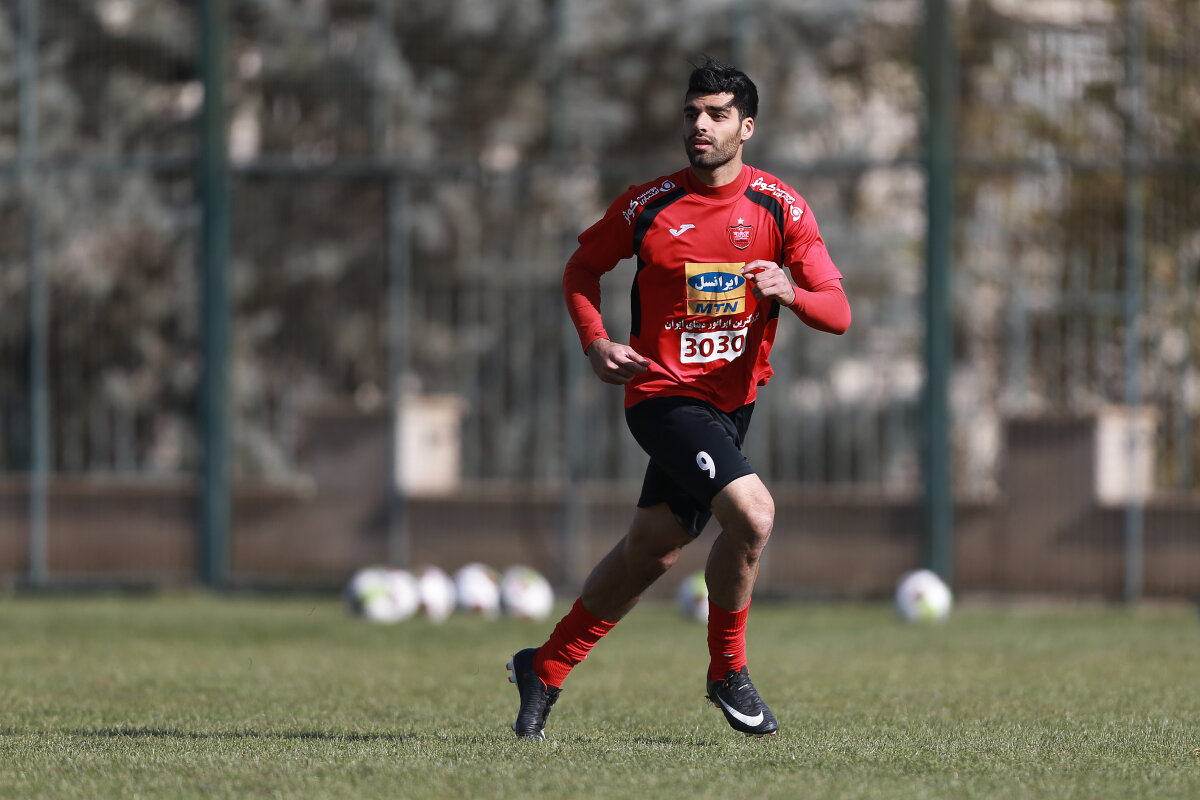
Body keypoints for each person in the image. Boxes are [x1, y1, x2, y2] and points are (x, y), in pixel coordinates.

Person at [507, 56, 851, 739]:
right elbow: (581, 269)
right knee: (753, 515)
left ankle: (545, 666)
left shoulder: (781, 207)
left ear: (745, 127)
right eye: (693, 113)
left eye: (718, 114)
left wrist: (791, 292)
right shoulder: (647, 205)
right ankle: (728, 670)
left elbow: (838, 312)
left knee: (651, 552)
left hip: (731, 407)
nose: (701, 125)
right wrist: (595, 342)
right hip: (662, 397)